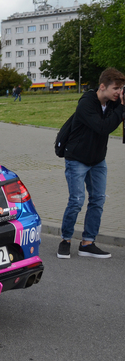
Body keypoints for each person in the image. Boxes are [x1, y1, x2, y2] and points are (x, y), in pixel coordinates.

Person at [57, 67, 125, 259]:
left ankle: (87, 243)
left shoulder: (113, 103)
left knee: (98, 200)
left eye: (121, 88)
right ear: (102, 86)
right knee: (77, 201)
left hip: (97, 160)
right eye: (116, 88)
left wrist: (121, 105)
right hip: (77, 159)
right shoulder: (86, 103)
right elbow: (103, 127)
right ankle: (65, 239)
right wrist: (121, 107)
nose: (119, 92)